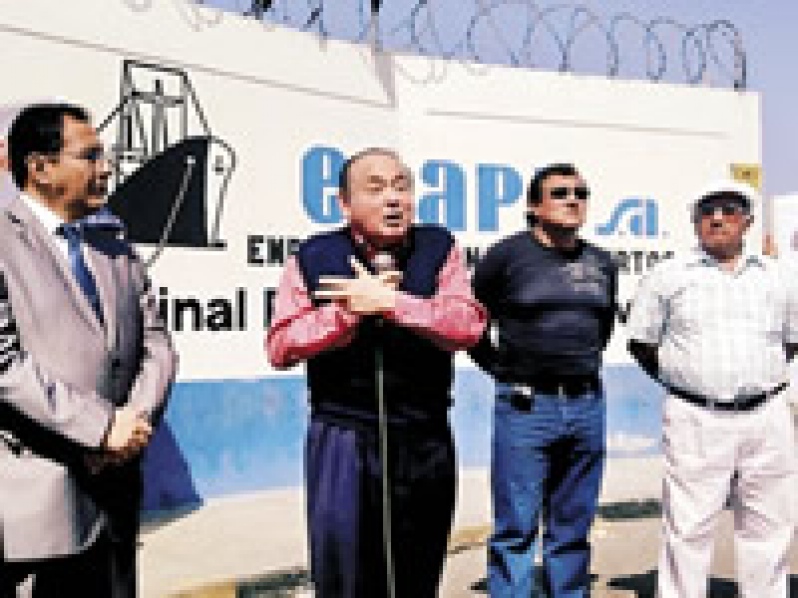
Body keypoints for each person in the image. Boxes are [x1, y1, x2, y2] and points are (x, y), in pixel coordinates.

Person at [266, 147, 487, 597]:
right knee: (346, 575)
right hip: (344, 437)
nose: (393, 199)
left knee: (418, 570)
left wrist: (392, 304)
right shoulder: (313, 255)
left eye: (402, 187)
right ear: (344, 204)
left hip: (423, 436)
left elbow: (467, 325)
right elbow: (281, 346)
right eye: (376, 188)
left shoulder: (438, 247)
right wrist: (345, 314)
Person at [0, 103, 177, 597]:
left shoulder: (113, 245)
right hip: (38, 498)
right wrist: (98, 429)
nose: (107, 167)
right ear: (40, 167)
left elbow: (157, 344)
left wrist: (130, 426)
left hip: (114, 493)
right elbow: (4, 364)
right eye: (91, 155)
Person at [626, 180, 797, 598]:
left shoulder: (779, 277)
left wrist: (754, 378)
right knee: (689, 524)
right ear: (695, 221)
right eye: (708, 211)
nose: (717, 218)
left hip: (767, 415)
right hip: (695, 417)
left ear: (748, 221)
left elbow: (792, 340)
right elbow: (641, 342)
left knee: (769, 522)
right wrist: (688, 381)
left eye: (729, 209)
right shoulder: (668, 276)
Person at [469, 163, 617, 597]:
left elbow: (602, 329)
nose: (573, 200)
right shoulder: (506, 257)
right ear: (534, 206)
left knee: (573, 520)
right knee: (516, 523)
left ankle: (568, 591)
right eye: (560, 193)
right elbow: (472, 322)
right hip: (526, 408)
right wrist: (503, 370)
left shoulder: (601, 262)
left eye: (580, 193)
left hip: (587, 405)